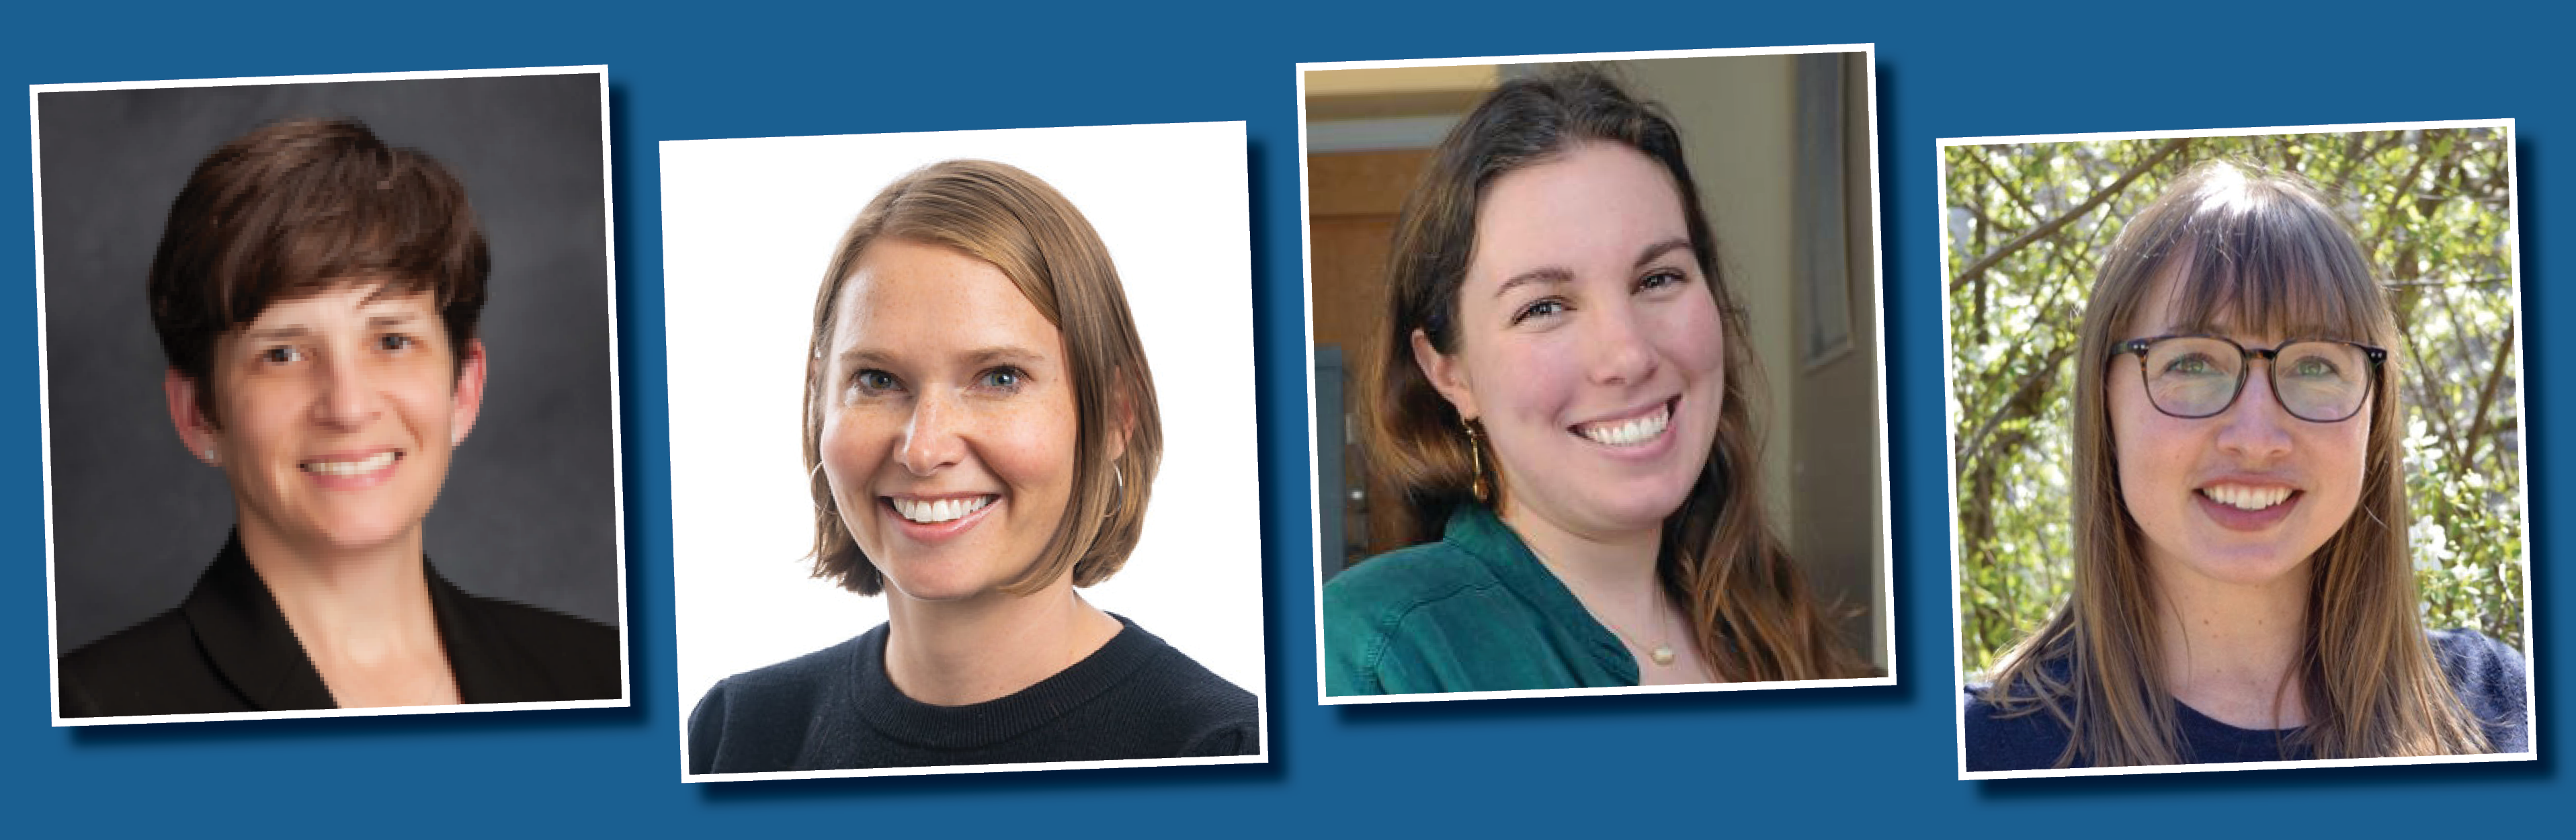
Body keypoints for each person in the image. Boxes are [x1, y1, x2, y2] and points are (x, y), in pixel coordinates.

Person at [685, 160, 1257, 772]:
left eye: (1000, 378)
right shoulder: (737, 735)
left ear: (1116, 416)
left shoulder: (1223, 752)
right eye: (877, 380)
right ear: (819, 404)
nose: (923, 449)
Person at [1962, 161, 2528, 770]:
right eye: (2192, 363)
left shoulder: (2501, 709)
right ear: (2103, 404)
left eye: (2315, 366)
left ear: (2375, 411)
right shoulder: (1972, 750)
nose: (2256, 439)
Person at [1321, 67, 1866, 696]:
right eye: (1544, 307)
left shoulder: (1775, 622)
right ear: (1449, 372)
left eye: (1657, 278)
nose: (1628, 355)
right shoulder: (1374, 650)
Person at [58, 118, 620, 716]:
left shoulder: (602, 673)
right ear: (199, 413)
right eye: (283, 354)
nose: (348, 408)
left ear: (463, 388)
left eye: (392, 341)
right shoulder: (88, 709)